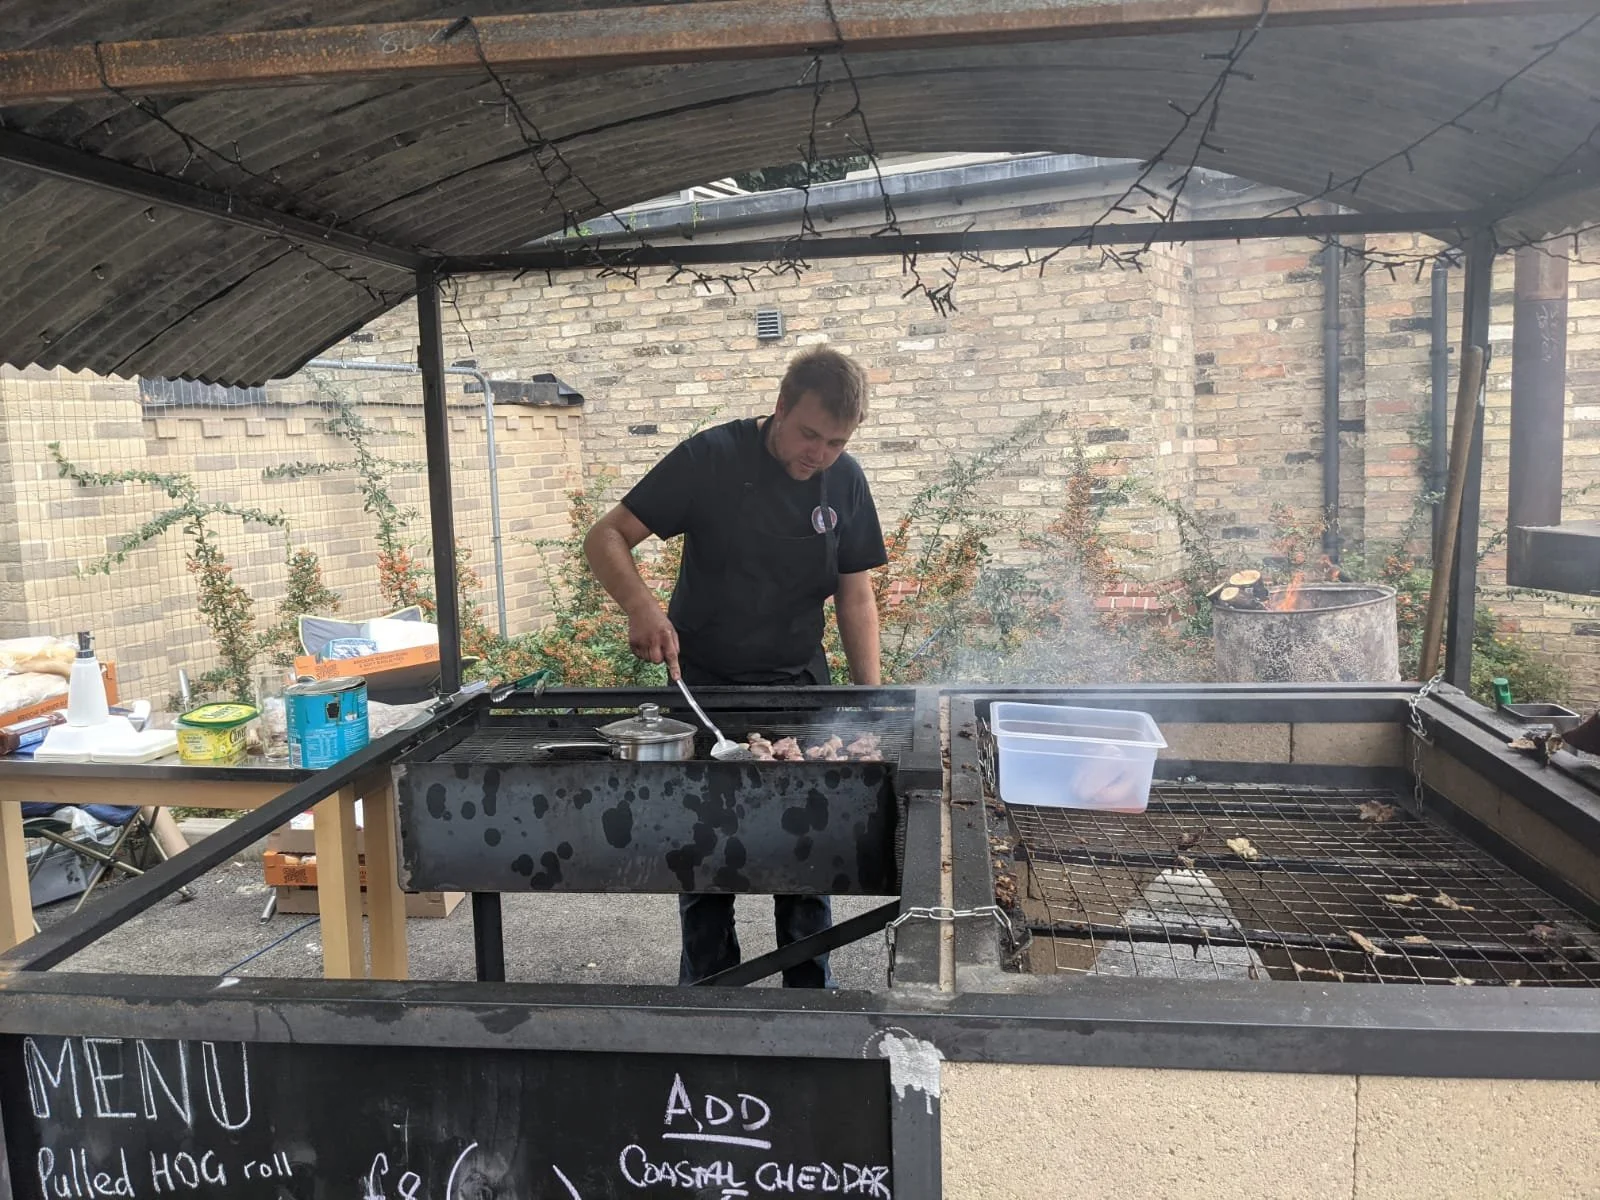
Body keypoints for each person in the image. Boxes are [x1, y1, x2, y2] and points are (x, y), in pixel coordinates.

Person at [583, 346, 887, 987]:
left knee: (807, 862)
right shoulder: (710, 458)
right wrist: (642, 608)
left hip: (801, 692)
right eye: (809, 434)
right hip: (706, 691)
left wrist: (870, 700)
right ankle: (710, 1000)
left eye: (836, 442)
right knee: (704, 862)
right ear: (779, 408)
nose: (820, 454)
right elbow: (604, 536)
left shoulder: (847, 480)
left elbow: (855, 594)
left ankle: (809, 1002)